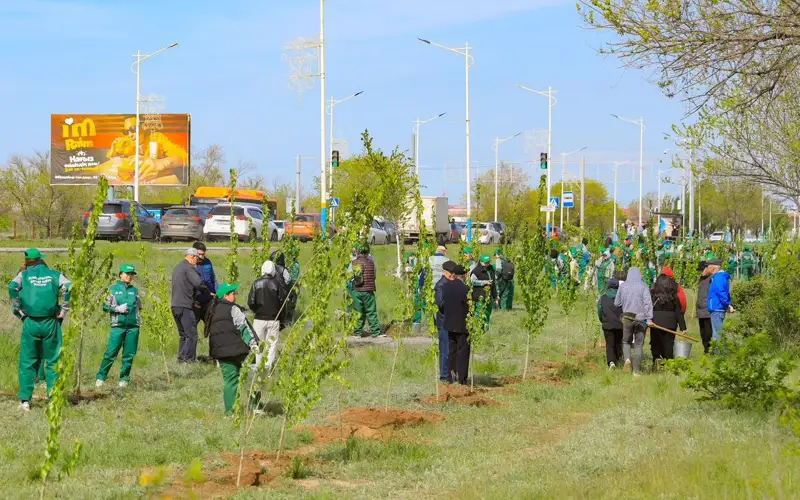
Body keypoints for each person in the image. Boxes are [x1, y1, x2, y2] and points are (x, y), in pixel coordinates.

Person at [8, 249, 71, 411]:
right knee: (53, 361)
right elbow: (69, 288)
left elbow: (12, 287)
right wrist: (63, 310)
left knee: (28, 361)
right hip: (51, 322)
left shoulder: (23, 275)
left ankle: (25, 401)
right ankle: (54, 400)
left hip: (30, 322)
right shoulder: (55, 274)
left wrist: (19, 312)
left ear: (28, 261)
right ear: (41, 260)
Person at [207, 283, 258, 415]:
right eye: (233, 293)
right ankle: (254, 407)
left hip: (221, 352)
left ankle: (230, 412)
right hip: (238, 350)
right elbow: (243, 328)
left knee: (230, 381)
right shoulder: (233, 309)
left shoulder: (212, 310)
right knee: (251, 376)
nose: (235, 295)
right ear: (225, 295)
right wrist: (253, 344)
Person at [96, 264, 142, 388]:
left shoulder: (134, 290)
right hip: (118, 326)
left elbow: (139, 306)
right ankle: (101, 377)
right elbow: (105, 306)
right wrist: (117, 308)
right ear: (120, 274)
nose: (129, 276)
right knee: (110, 353)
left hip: (133, 327)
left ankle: (124, 379)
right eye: (127, 274)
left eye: (131, 274)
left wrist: (137, 319)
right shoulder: (112, 289)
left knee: (129, 354)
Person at [248, 260, 289, 371]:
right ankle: (268, 368)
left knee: (258, 343)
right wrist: (282, 319)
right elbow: (282, 304)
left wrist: (258, 311)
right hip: (274, 319)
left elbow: (251, 302)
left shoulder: (256, 283)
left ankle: (258, 366)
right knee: (271, 345)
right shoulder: (277, 284)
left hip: (259, 319)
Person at [171, 248, 210, 362]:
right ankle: (188, 360)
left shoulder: (177, 267)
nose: (196, 262)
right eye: (197, 259)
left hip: (175, 305)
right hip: (185, 306)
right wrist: (207, 293)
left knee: (183, 335)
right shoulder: (189, 268)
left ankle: (181, 359)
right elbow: (198, 283)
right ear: (192, 257)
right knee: (192, 334)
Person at [614, 267, 653, 376]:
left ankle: (627, 359)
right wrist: (649, 318)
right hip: (641, 319)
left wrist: (626, 304)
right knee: (638, 345)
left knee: (626, 341)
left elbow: (617, 303)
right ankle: (636, 371)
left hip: (627, 317)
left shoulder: (623, 286)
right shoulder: (644, 286)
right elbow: (647, 303)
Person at [650, 269, 687, 367]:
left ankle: (656, 362)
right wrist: (683, 327)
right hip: (671, 322)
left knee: (656, 343)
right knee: (668, 344)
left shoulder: (653, 294)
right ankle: (669, 364)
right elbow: (678, 312)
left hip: (656, 322)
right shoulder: (673, 295)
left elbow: (648, 308)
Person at [441, 263, 470, 384]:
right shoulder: (465, 289)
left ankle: (450, 376)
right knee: (462, 352)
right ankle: (461, 378)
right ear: (464, 275)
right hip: (462, 325)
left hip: (449, 323)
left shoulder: (445, 287)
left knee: (451, 351)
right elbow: (468, 308)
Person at [351, 244, 382, 337]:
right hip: (368, 291)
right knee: (371, 312)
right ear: (368, 251)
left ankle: (357, 333)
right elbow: (374, 276)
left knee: (358, 312)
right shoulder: (371, 262)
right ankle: (375, 332)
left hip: (356, 291)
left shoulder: (353, 262)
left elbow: (349, 276)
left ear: (357, 251)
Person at [434, 261, 457, 383]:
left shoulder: (454, 283)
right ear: (445, 272)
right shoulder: (440, 285)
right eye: (451, 273)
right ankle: (444, 375)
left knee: (453, 350)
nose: (453, 275)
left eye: (454, 273)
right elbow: (441, 304)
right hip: (444, 323)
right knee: (445, 350)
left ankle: (452, 374)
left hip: (454, 321)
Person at [598, 276, 624, 368]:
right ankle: (618, 359)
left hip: (607, 324)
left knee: (609, 344)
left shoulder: (603, 298)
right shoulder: (622, 298)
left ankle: (611, 362)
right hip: (620, 324)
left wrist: (602, 320)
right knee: (618, 342)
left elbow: (600, 311)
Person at [192, 242, 217, 332]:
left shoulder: (208, 262)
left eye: (203, 254)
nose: (201, 257)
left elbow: (213, 279)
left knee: (213, 326)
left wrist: (217, 293)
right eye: (199, 254)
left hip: (209, 301)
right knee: (191, 328)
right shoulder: (191, 265)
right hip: (196, 302)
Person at [707, 259, 734, 342]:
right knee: (717, 334)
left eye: (708, 266)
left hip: (717, 309)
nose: (707, 268)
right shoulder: (719, 277)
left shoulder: (718, 278)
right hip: (717, 308)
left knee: (717, 335)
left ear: (713, 268)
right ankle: (719, 353)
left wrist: (727, 304)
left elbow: (721, 292)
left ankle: (720, 354)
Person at [269, 250, 296, 326]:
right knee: (293, 297)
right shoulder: (283, 270)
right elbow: (288, 281)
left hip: (271, 290)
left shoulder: (270, 268)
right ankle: (288, 319)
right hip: (282, 292)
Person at [470, 255, 497, 325]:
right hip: (479, 296)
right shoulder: (476, 271)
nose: (487, 264)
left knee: (487, 313)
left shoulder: (491, 270)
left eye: (488, 262)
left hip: (489, 296)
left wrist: (495, 296)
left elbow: (494, 283)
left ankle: (486, 329)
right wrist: (484, 282)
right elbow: (472, 282)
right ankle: (478, 329)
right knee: (479, 314)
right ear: (481, 262)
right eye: (485, 263)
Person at [696, 261, 713, 354]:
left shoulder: (711, 279)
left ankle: (710, 351)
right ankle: (706, 350)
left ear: (707, 268)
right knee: (703, 334)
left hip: (707, 310)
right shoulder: (701, 279)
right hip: (700, 311)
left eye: (702, 270)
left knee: (709, 333)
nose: (701, 272)